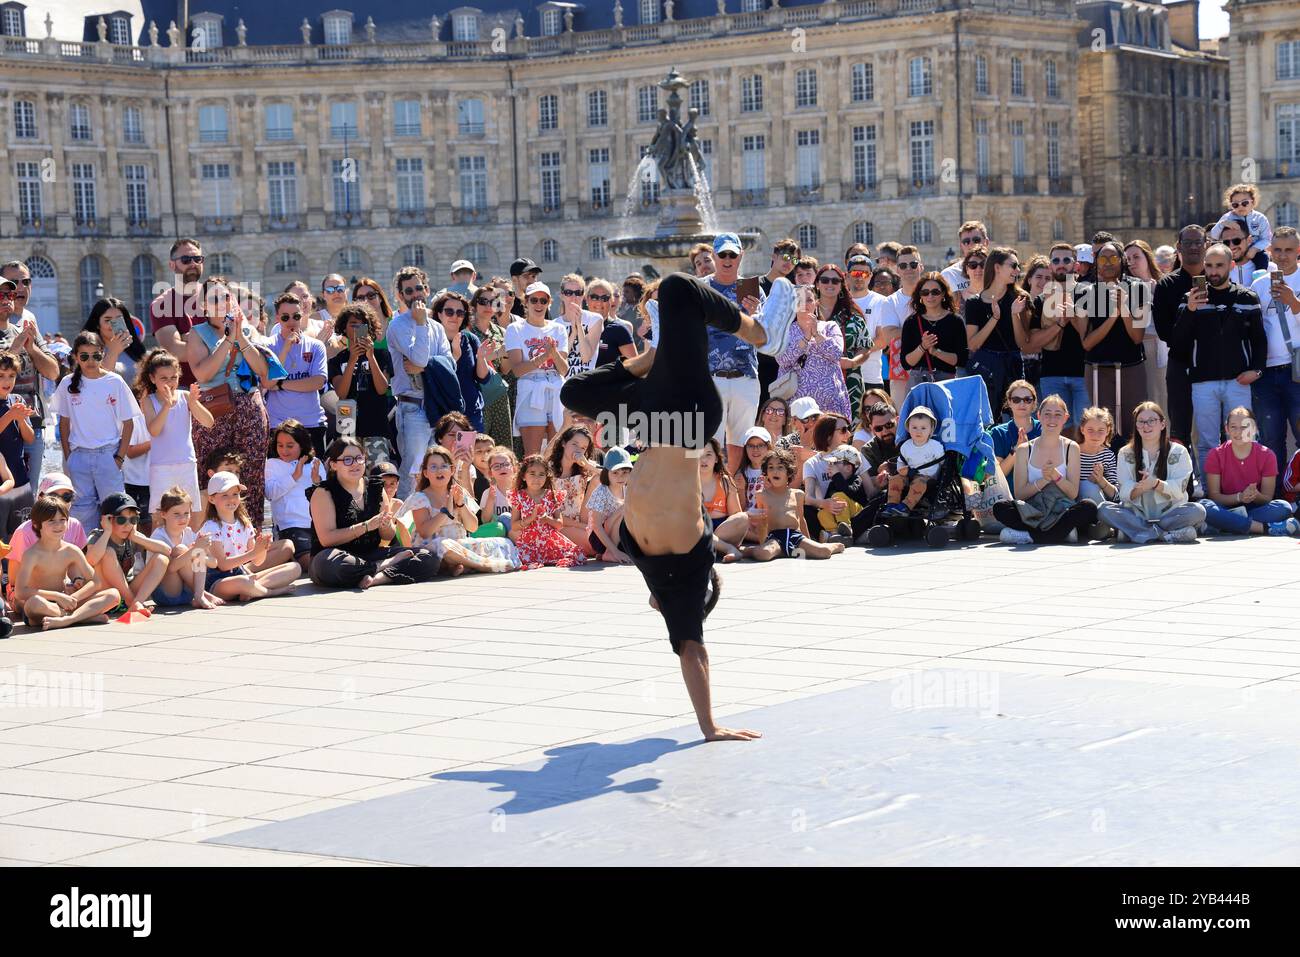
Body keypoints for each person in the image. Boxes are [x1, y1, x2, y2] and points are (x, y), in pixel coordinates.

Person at [557, 268, 797, 741]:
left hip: (653, 417)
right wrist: (711, 726)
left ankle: (652, 354)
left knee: (574, 391)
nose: (656, 605)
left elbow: (666, 616)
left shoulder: (643, 559)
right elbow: (695, 653)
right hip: (687, 422)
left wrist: (647, 364)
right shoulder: (691, 566)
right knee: (675, 289)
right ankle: (760, 333)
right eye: (660, 605)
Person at [1171, 242, 1267, 474]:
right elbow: (1178, 341)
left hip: (1238, 381)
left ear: (1231, 266)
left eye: (1219, 266)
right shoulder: (1190, 298)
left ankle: (1244, 487)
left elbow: (1259, 339)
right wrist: (1190, 310)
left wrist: (1257, 370)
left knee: (1244, 438)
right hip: (1203, 381)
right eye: (1209, 266)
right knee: (1207, 443)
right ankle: (1209, 491)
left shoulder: (1248, 297)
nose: (1213, 271)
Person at [185, 278, 271, 521]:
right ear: (203, 306)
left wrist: (240, 337)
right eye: (214, 299)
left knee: (251, 472)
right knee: (213, 472)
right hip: (215, 410)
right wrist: (227, 340)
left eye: (225, 297)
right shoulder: (197, 333)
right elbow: (202, 373)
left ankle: (250, 531)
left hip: (248, 407)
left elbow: (262, 371)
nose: (221, 303)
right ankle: (214, 534)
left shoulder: (246, 329)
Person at [307, 439, 440, 588]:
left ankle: (379, 578)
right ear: (333, 464)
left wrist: (384, 525)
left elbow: (388, 536)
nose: (355, 464)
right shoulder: (323, 492)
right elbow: (327, 539)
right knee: (331, 564)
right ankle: (382, 566)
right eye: (347, 460)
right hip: (336, 556)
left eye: (359, 458)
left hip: (371, 553)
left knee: (429, 556)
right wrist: (366, 526)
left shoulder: (375, 487)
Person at [50, 331, 141, 529]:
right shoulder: (67, 383)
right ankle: (85, 555)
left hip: (108, 455)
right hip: (79, 456)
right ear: (75, 357)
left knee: (117, 509)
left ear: (102, 353)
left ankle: (118, 555)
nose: (90, 361)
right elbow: (63, 424)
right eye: (84, 356)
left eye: (96, 355)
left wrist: (119, 458)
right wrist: (69, 455)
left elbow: (129, 423)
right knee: (81, 511)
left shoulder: (115, 381)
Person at [992, 394, 1099, 544]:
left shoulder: (1071, 447)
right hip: (1032, 510)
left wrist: (1056, 476)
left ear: (1065, 418)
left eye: (1057, 415)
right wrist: (1043, 480)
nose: (1052, 420)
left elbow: (1073, 493)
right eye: (1047, 414)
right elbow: (1020, 494)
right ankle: (1060, 533)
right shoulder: (1024, 449)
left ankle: (1030, 536)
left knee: (1089, 507)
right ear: (1039, 416)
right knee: (1000, 507)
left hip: (1061, 510)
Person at [386, 266, 453, 498]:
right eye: (408, 290)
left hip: (438, 405)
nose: (415, 294)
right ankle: (406, 519)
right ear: (401, 295)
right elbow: (420, 357)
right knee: (414, 468)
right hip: (412, 405)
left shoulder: (437, 326)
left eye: (418, 288)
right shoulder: (398, 325)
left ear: (426, 289)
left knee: (441, 466)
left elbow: (448, 364)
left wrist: (425, 366)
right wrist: (421, 324)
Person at [1097, 402, 1204, 543]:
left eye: (1152, 421)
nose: (1146, 426)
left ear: (1162, 424)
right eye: (1141, 422)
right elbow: (1124, 493)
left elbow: (1180, 490)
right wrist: (1141, 488)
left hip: (1170, 514)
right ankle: (1163, 535)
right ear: (1136, 426)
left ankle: (1135, 531)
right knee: (1103, 509)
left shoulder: (1179, 451)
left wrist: (1155, 483)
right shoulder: (1125, 452)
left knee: (1198, 511)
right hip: (1137, 514)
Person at [404, 446, 518, 574]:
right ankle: (484, 565)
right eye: (433, 467)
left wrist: (461, 505)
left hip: (461, 546)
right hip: (433, 550)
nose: (439, 470)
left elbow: (473, 527)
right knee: (443, 545)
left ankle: (458, 565)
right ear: (425, 473)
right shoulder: (420, 497)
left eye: (443, 466)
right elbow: (425, 532)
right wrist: (445, 511)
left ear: (452, 470)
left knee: (503, 542)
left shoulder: (458, 492)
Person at [16, 495, 121, 631]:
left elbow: (95, 582)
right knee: (33, 604)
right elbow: (20, 591)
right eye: (51, 521)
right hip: (44, 604)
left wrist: (73, 598)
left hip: (67, 601)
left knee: (113, 595)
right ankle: (82, 617)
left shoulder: (71, 550)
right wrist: (57, 596)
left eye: (62, 520)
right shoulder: (31, 554)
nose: (58, 525)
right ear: (36, 524)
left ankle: (69, 619)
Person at [1077, 241, 1147, 434]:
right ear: (1096, 262)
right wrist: (1113, 316)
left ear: (1122, 261)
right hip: (1098, 368)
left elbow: (1137, 337)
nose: (1108, 263)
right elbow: (1087, 342)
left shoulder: (1139, 288)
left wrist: (1123, 308)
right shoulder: (1084, 292)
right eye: (1102, 258)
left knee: (1134, 427)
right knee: (1101, 429)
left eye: (1113, 258)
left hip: (1131, 366)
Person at [1199, 407, 1298, 536]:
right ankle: (1263, 528)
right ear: (1226, 429)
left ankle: (1224, 524)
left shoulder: (1267, 455)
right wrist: (1239, 497)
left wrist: (1255, 495)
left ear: (1255, 428)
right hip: (1226, 507)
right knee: (1204, 506)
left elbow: (1267, 498)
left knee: (1283, 507)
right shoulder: (1215, 454)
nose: (1239, 432)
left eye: (1245, 427)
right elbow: (1214, 495)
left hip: (1255, 508)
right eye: (1234, 427)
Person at [0, 265, 60, 478]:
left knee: (28, 495)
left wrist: (32, 348)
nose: (14, 293)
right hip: (2, 423)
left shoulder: (27, 324)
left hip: (30, 422)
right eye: (5, 292)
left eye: (25, 282)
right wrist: (16, 348)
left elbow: (53, 372)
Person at [201, 471, 300, 600]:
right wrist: (253, 553)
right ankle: (268, 591)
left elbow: (257, 562)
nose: (231, 499)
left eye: (235, 494)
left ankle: (251, 590)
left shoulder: (244, 523)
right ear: (212, 499)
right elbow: (223, 565)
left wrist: (262, 548)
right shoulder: (211, 527)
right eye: (225, 495)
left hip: (241, 574)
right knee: (243, 581)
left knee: (295, 568)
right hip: (217, 581)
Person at [1249, 227, 1300, 473]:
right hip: (1266, 374)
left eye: (1288, 250)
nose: (1282, 255)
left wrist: (1294, 302)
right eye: (1277, 250)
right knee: (1270, 441)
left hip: (1297, 371)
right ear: (1269, 251)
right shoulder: (1258, 285)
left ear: (1298, 251)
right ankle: (1276, 498)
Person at [136, 348, 211, 516]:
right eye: (163, 378)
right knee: (160, 514)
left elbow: (208, 422)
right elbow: (154, 431)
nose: (169, 383)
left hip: (186, 463)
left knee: (188, 513)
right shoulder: (148, 401)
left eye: (173, 378)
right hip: (161, 466)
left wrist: (194, 403)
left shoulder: (185, 397)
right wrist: (167, 406)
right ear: (152, 378)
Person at [1152, 225, 1209, 446]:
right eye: (1188, 243)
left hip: (1215, 363)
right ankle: (1182, 481)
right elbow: (1165, 333)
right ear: (1179, 247)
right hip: (1180, 364)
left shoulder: (1218, 279)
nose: (1194, 247)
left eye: (1198, 242)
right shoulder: (1167, 284)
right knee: (1180, 430)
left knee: (1216, 430)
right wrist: (1188, 311)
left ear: (1207, 245)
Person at [742, 449, 845, 561]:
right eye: (770, 467)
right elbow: (763, 523)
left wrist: (809, 541)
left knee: (823, 552)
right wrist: (763, 544)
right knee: (764, 553)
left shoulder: (798, 494)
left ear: (789, 472)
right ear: (766, 473)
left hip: (796, 536)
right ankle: (749, 550)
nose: (775, 471)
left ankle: (833, 546)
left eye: (780, 467)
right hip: (775, 537)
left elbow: (801, 520)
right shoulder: (762, 495)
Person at [84, 491, 171, 617]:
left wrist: (136, 537)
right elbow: (91, 561)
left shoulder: (132, 536)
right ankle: (132, 603)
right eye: (121, 519)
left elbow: (167, 551)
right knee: (108, 553)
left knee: (161, 559)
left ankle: (137, 602)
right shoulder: (98, 535)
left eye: (133, 520)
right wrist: (107, 531)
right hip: (105, 595)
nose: (127, 525)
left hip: (126, 594)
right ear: (107, 519)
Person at [506, 281, 568, 456]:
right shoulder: (515, 329)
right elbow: (517, 370)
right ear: (526, 302)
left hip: (556, 387)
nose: (539, 304)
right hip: (531, 389)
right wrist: (543, 357)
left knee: (558, 454)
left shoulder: (558, 328)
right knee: (533, 455)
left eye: (543, 300)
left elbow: (564, 369)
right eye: (534, 300)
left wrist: (553, 353)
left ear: (549, 303)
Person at [328, 303, 394, 465]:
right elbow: (342, 393)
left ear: (369, 328)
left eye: (362, 325)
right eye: (353, 324)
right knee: (349, 474)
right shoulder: (337, 361)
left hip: (376, 427)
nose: (357, 328)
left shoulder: (381, 355)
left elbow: (382, 388)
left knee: (378, 476)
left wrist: (370, 357)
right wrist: (352, 360)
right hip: (347, 428)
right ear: (344, 328)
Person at [965, 247, 1027, 418]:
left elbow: (1022, 343)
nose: (1018, 270)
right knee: (988, 419)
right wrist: (995, 318)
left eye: (1018, 266)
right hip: (987, 368)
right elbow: (973, 344)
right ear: (997, 267)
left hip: (1012, 365)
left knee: (1017, 419)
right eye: (1013, 265)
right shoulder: (974, 303)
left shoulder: (1020, 298)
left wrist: (1015, 314)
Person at [1034, 245, 1090, 433]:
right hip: (1051, 373)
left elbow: (1088, 338)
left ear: (1076, 265)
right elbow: (1032, 344)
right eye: (1056, 260)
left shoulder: (1088, 293)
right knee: (1056, 430)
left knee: (1085, 429)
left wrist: (1072, 315)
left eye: (1066, 260)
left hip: (1083, 372)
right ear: (1050, 265)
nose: (1061, 265)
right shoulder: (1040, 299)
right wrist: (1059, 323)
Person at [263, 292, 328, 455]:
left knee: (314, 477)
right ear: (277, 318)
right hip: (278, 425)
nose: (291, 321)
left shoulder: (316, 345)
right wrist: (285, 348)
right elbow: (268, 383)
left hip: (311, 423)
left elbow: (317, 382)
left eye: (296, 316)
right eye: (285, 317)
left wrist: (281, 384)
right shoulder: (267, 346)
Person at [774, 285, 851, 418]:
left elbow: (837, 354)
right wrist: (805, 339)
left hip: (831, 403)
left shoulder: (830, 327)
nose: (804, 304)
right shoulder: (784, 331)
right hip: (796, 403)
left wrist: (817, 334)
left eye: (809, 300)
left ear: (817, 302)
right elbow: (782, 360)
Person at [508, 453, 588, 569]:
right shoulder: (518, 496)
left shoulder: (552, 496)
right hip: (529, 543)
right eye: (532, 474)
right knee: (518, 559)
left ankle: (548, 557)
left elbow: (559, 524)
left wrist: (547, 519)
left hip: (550, 541)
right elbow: (514, 526)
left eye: (541, 474)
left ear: (547, 477)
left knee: (577, 555)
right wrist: (530, 519)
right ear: (523, 476)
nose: (537, 478)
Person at [150, 485, 223, 609]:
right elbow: (171, 568)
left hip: (188, 593)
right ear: (163, 514)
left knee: (197, 551)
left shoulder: (189, 533)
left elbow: (214, 563)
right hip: (166, 592)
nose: (183, 518)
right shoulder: (159, 536)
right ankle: (202, 594)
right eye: (176, 514)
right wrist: (193, 551)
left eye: (186, 513)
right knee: (181, 549)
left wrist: (200, 553)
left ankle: (199, 595)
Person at [265, 419, 322, 572]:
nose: (284, 450)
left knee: (328, 558)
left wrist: (318, 482)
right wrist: (294, 476)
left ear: (302, 444)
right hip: (291, 526)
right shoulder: (271, 464)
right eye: (280, 445)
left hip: (318, 525)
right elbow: (270, 493)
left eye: (290, 446)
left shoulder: (316, 462)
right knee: (312, 565)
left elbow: (325, 495)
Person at [149, 238, 206, 387]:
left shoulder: (219, 295)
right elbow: (176, 351)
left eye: (197, 259)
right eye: (186, 259)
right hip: (186, 390)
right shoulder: (161, 304)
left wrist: (190, 340)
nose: (193, 263)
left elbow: (238, 337)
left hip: (225, 387)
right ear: (171, 265)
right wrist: (221, 342)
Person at [434, 290, 493, 433]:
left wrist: (481, 358)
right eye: (449, 311)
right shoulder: (432, 340)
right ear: (439, 314)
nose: (455, 316)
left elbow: (483, 378)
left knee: (471, 454)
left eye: (460, 313)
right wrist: (454, 356)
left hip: (471, 414)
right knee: (445, 455)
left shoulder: (470, 339)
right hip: (442, 415)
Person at [467, 286, 514, 449]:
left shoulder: (501, 332)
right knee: (478, 447)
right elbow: (469, 364)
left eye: (493, 302)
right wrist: (496, 353)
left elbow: (506, 370)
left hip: (498, 396)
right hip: (476, 397)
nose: (488, 306)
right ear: (474, 306)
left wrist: (506, 353)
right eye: (483, 301)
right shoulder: (467, 331)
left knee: (502, 448)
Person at [900, 273, 968, 387]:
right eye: (925, 292)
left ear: (943, 294)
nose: (930, 296)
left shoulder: (955, 321)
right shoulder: (911, 322)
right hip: (919, 382)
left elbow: (962, 360)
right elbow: (906, 364)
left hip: (946, 382)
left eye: (935, 292)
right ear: (920, 296)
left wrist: (936, 352)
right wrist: (922, 347)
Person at [881, 406, 945, 516]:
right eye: (914, 427)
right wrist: (902, 470)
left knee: (919, 483)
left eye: (923, 428)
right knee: (895, 479)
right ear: (908, 428)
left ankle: (905, 506)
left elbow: (943, 463)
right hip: (909, 474)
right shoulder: (906, 446)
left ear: (931, 430)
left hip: (928, 478)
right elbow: (901, 462)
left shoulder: (936, 446)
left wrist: (941, 475)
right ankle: (892, 504)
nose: (918, 431)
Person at [546, 424, 599, 555]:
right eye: (574, 444)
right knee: (595, 545)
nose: (578, 450)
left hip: (580, 520)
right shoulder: (548, 469)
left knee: (598, 478)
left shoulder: (585, 468)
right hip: (557, 523)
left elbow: (611, 477)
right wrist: (586, 527)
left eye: (583, 448)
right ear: (564, 443)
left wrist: (587, 465)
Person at [0, 349, 36, 537]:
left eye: (11, 376)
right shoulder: (11, 408)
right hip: (1, 485)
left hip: (20, 478)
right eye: (1, 376)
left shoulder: (18, 400)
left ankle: (17, 567)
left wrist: (21, 419)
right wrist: (10, 415)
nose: (7, 381)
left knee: (22, 533)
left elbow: (30, 438)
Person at [699, 438, 748, 562]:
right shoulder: (687, 483)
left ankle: (709, 547)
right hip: (698, 528)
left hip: (722, 529)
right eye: (698, 455)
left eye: (708, 455)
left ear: (716, 458)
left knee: (743, 518)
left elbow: (735, 515)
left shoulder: (726, 481)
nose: (703, 460)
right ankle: (728, 549)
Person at [1210, 183, 1272, 273]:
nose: (1240, 207)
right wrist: (1223, 223)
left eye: (1244, 203)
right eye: (1235, 205)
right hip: (1233, 250)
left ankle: (1259, 280)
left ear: (1253, 202)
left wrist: (1254, 249)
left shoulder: (1260, 218)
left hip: (1255, 251)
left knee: (1263, 257)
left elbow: (1267, 239)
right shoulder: (1228, 217)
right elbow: (1214, 235)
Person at [585, 446, 633, 563]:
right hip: (599, 538)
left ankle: (609, 552)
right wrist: (615, 551)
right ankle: (609, 553)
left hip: (619, 535)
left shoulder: (627, 489)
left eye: (625, 472)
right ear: (607, 472)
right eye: (615, 473)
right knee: (626, 508)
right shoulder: (601, 492)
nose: (620, 477)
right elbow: (596, 526)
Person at [83, 298, 147, 385]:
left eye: (118, 319)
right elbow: (98, 381)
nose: (113, 324)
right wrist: (113, 351)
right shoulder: (88, 351)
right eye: (107, 320)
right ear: (98, 324)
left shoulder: (134, 348)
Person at [987, 380, 1042, 476]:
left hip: (1041, 489)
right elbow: (995, 476)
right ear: (1009, 402)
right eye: (1016, 400)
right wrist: (1016, 450)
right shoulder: (998, 433)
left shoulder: (1044, 429)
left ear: (1034, 402)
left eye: (1027, 399)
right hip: (1010, 491)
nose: (1022, 404)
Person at [1076, 406, 1119, 505]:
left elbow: (1116, 496)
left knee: (1090, 487)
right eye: (1090, 430)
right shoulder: (1072, 451)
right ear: (1082, 429)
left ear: (1107, 431)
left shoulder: (1108, 456)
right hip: (1073, 503)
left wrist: (1100, 480)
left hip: (1098, 506)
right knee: (1087, 486)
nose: (1095, 435)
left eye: (1101, 430)